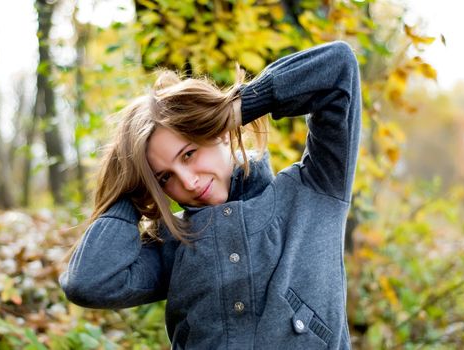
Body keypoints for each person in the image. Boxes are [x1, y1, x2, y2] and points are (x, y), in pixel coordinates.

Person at [60, 41, 361, 349]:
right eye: (164, 177)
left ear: (217, 132)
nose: (188, 182)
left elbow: (338, 67)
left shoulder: (314, 189)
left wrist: (234, 108)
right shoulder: (174, 241)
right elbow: (88, 283)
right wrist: (130, 185)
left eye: (189, 154)